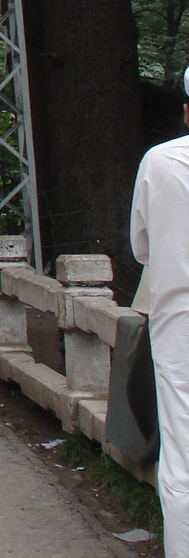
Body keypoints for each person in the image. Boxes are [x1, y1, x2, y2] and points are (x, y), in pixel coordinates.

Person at [131, 66, 189, 558]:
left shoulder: (161, 161)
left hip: (182, 327)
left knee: (185, 455)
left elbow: (141, 246)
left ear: (187, 112)